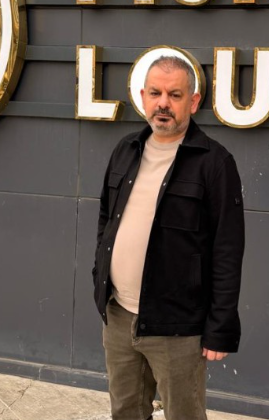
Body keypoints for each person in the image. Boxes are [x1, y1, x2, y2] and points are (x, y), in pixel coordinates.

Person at [92, 55, 246, 420]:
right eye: (155, 93)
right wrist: (101, 276)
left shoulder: (214, 163)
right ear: (142, 97)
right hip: (118, 315)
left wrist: (220, 327)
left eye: (175, 95)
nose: (163, 103)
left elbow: (227, 249)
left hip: (178, 327)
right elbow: (106, 218)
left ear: (192, 101)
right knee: (126, 412)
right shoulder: (125, 149)